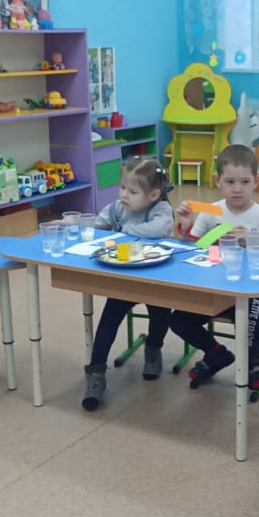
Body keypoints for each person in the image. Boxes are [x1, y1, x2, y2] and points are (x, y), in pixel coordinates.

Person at [171, 144, 259, 390]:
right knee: (179, 320)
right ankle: (215, 353)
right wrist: (185, 227)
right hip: (215, 288)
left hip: (251, 291)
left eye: (245, 182)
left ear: (256, 181)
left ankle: (252, 362)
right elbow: (195, 250)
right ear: (217, 181)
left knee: (252, 324)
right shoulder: (212, 211)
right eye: (230, 182)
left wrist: (250, 241)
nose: (237, 189)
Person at [83, 157, 175, 410]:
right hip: (126, 278)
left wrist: (124, 230)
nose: (124, 194)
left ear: (154, 194)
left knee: (161, 314)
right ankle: (96, 372)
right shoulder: (117, 208)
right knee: (109, 320)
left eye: (133, 191)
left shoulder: (161, 210)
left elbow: (157, 229)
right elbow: (98, 226)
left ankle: (153, 348)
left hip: (157, 279)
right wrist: (76, 225)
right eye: (123, 187)